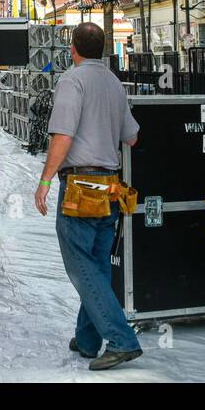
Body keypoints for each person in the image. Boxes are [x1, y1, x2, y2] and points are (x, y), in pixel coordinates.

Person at [35, 22, 143, 372]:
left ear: (73, 50)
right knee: (96, 266)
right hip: (110, 188)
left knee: (81, 266)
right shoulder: (114, 83)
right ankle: (87, 338)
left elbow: (63, 135)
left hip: (81, 188)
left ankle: (122, 340)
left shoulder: (72, 80)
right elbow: (132, 138)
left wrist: (45, 181)